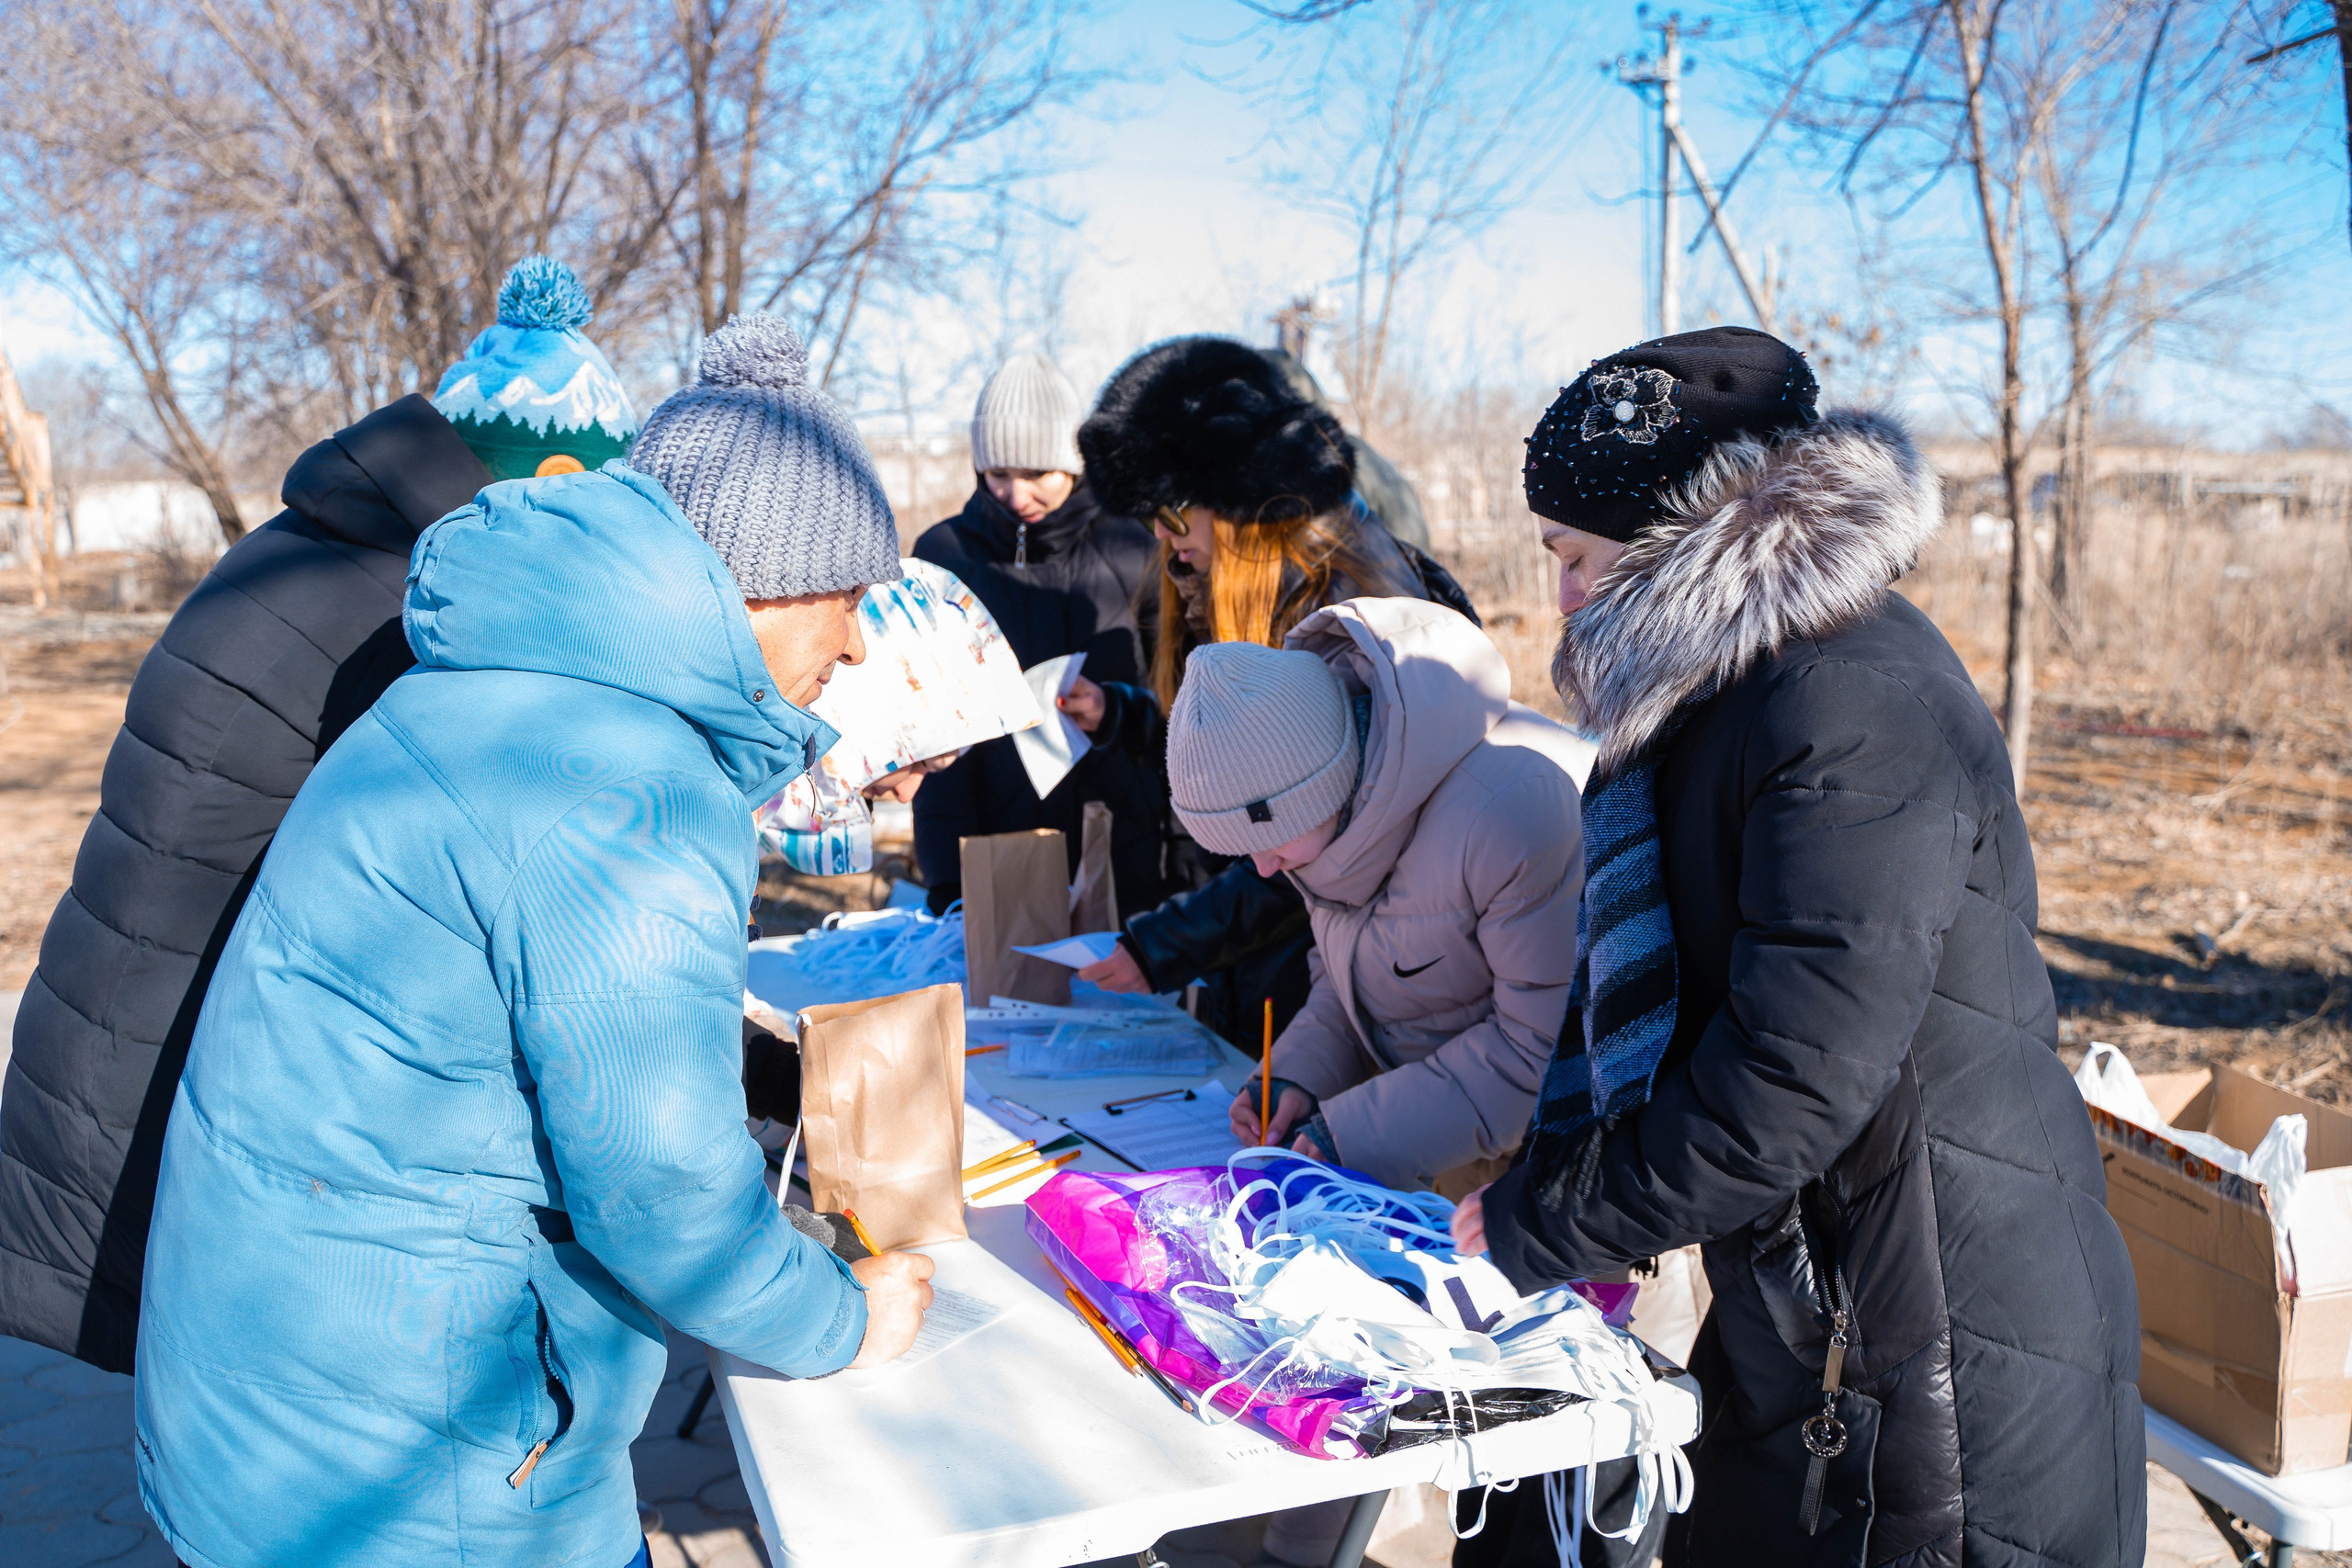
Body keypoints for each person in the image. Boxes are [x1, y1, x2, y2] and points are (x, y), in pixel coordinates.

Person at [133, 314, 935, 1567]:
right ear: (765, 584)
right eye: (849, 597)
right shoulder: (630, 789)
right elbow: (659, 1192)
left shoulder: (472, 688)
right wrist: (845, 1317)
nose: (857, 642)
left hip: (264, 1416)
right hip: (422, 1481)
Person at [1452, 327, 2144, 1565]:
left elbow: (1792, 1077)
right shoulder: (1724, 692)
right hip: (1821, 1311)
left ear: (1673, 536)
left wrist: (1544, 1220)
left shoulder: (1845, 700)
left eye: (1571, 554)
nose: (1558, 594)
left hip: (1941, 1359)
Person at [0, 255, 638, 1374]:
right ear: (542, 477)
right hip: (170, 1060)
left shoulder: (317, 542)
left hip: (123, 1028)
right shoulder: (411, 611)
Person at [1057, 335, 1433, 1045]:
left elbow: (1305, 837)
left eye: (1172, 514)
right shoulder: (1247, 584)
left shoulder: (1337, 619)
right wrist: (1122, 718)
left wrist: (1162, 944)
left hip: (1338, 975)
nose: (1166, 543)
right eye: (1152, 522)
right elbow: (1253, 769)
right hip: (1281, 959)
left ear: (1235, 494)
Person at [1158, 605, 1591, 1201]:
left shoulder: (1513, 813)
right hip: (1461, 1158)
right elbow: (1365, 975)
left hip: (1577, 1185)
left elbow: (1546, 1050)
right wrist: (1301, 1075)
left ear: (1315, 786)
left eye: (1264, 839)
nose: (1262, 867)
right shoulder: (1337, 820)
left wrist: (1354, 1131)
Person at [909, 353, 1164, 918]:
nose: (1016, 496)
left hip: (1126, 852)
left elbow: (1179, 701)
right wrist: (948, 881)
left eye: (1036, 474)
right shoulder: (945, 556)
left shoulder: (1136, 549)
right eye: (999, 474)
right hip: (992, 846)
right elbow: (929, 729)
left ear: (1073, 465)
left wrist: (1114, 709)